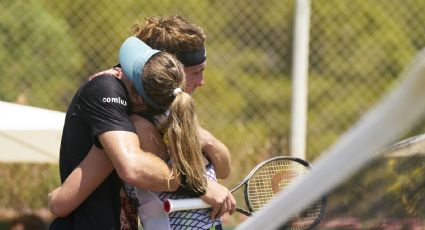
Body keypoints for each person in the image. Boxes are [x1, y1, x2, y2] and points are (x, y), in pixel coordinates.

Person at [48, 36, 235, 229]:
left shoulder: (132, 130)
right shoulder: (183, 126)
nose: (117, 73)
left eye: (126, 74)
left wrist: (197, 186)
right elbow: (224, 169)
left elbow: (61, 202)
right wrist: (201, 184)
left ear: (137, 99)